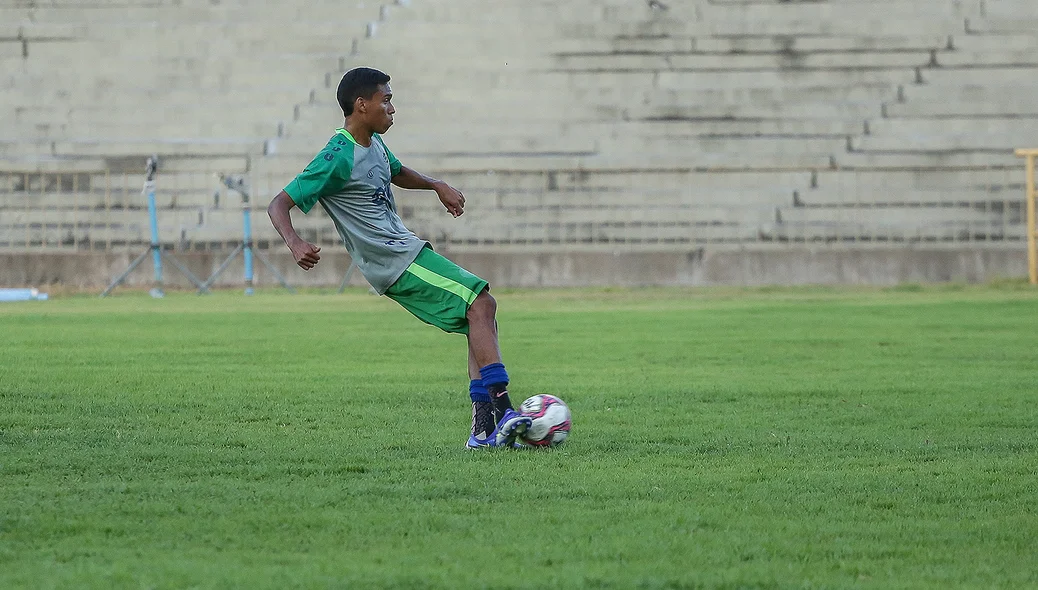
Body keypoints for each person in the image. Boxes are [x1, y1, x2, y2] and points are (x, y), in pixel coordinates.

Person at [267, 67, 530, 449]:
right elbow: (279, 203)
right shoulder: (337, 154)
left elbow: (397, 172)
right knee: (481, 303)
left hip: (404, 252)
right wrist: (294, 243)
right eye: (385, 100)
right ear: (362, 105)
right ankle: (505, 410)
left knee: (481, 317)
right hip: (395, 260)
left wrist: (435, 185)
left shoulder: (372, 143)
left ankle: (484, 431)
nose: (392, 108)